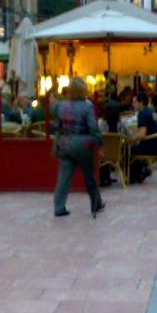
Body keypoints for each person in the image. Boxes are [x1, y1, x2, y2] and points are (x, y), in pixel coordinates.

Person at [53, 77, 104, 217]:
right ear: (83, 90)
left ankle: (59, 207)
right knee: (89, 176)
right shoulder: (87, 106)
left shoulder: (60, 105)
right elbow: (93, 127)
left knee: (63, 177)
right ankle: (96, 203)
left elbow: (56, 126)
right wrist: (99, 142)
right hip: (82, 144)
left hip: (64, 143)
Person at [129, 91, 157, 184]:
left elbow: (142, 134)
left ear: (141, 102)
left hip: (150, 147)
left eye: (135, 102)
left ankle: (134, 175)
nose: (133, 104)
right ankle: (141, 170)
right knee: (134, 148)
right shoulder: (151, 111)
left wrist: (130, 139)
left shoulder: (142, 114)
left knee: (128, 150)